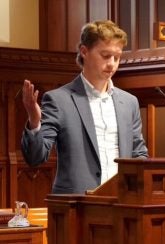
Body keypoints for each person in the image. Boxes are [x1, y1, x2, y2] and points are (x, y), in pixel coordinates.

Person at [21, 20, 148, 194]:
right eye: (105, 55)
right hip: (77, 207)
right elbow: (35, 158)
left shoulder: (129, 102)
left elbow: (139, 154)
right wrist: (35, 122)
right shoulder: (59, 100)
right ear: (84, 52)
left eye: (117, 57)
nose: (112, 64)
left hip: (122, 204)